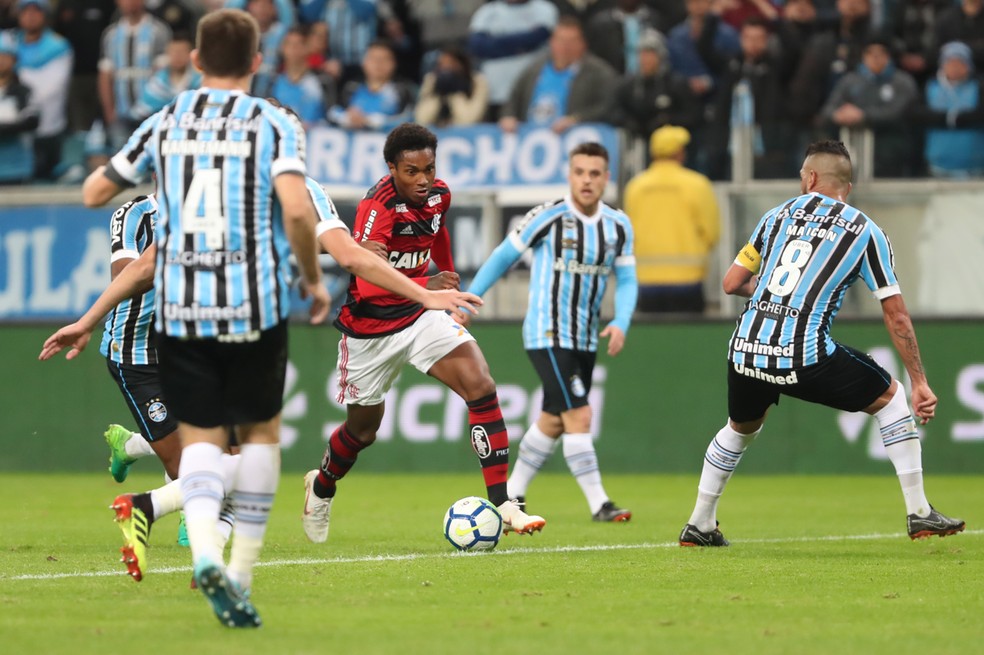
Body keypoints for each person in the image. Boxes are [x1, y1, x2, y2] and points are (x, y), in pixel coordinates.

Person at [678, 139, 965, 547]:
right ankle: (920, 514)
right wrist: (920, 380)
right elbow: (896, 313)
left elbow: (732, 283)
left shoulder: (775, 216)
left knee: (740, 429)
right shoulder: (866, 231)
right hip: (802, 354)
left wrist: (774, 296)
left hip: (745, 349)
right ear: (846, 184)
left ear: (810, 177)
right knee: (894, 398)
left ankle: (699, 524)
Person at [301, 123, 547, 544]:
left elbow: (436, 232)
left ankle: (504, 502)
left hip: (420, 315)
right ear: (392, 168)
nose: (423, 180)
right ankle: (321, 484)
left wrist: (446, 283)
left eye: (429, 169)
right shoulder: (374, 209)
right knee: (363, 431)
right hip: (371, 329)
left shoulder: (439, 195)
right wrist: (425, 287)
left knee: (481, 385)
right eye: (412, 171)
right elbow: (368, 279)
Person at [465, 142, 637, 522]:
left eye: (595, 173)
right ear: (570, 176)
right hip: (547, 331)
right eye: (580, 172)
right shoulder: (548, 217)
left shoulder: (618, 225)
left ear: (606, 178)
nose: (587, 180)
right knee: (579, 414)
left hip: (585, 336)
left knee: (554, 420)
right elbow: (503, 256)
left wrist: (621, 321)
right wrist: (470, 299)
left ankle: (513, 494)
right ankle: (600, 504)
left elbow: (626, 278)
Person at [622, 125, 719, 313]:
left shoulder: (635, 187)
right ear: (680, 152)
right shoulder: (697, 184)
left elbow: (627, 233)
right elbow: (711, 232)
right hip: (688, 279)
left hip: (646, 280)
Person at [498, 15, 618, 134]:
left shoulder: (600, 73)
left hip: (574, 140)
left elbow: (609, 106)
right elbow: (514, 98)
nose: (565, 47)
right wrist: (509, 116)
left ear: (583, 44)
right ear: (551, 42)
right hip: (531, 139)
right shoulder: (534, 69)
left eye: (571, 41)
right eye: (560, 40)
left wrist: (577, 119)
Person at [0, 0, 72, 179]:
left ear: (45, 15)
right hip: (14, 139)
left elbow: (49, 90)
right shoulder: (10, 41)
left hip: (47, 129)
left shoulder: (58, 46)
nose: (30, 16)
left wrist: (13, 110)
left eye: (36, 11)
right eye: (25, 11)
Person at [98, 0, 171, 151]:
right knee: (122, 159)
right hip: (121, 114)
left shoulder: (159, 31)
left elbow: (163, 74)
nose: (129, 3)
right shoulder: (111, 34)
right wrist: (109, 112)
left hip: (151, 114)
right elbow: (105, 75)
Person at [917, 40, 984, 178]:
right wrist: (949, 118)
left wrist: (950, 119)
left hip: (974, 166)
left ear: (968, 66)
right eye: (950, 62)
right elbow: (916, 113)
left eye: (960, 63)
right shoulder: (930, 87)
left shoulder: (978, 87)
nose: (955, 67)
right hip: (938, 165)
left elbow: (979, 115)